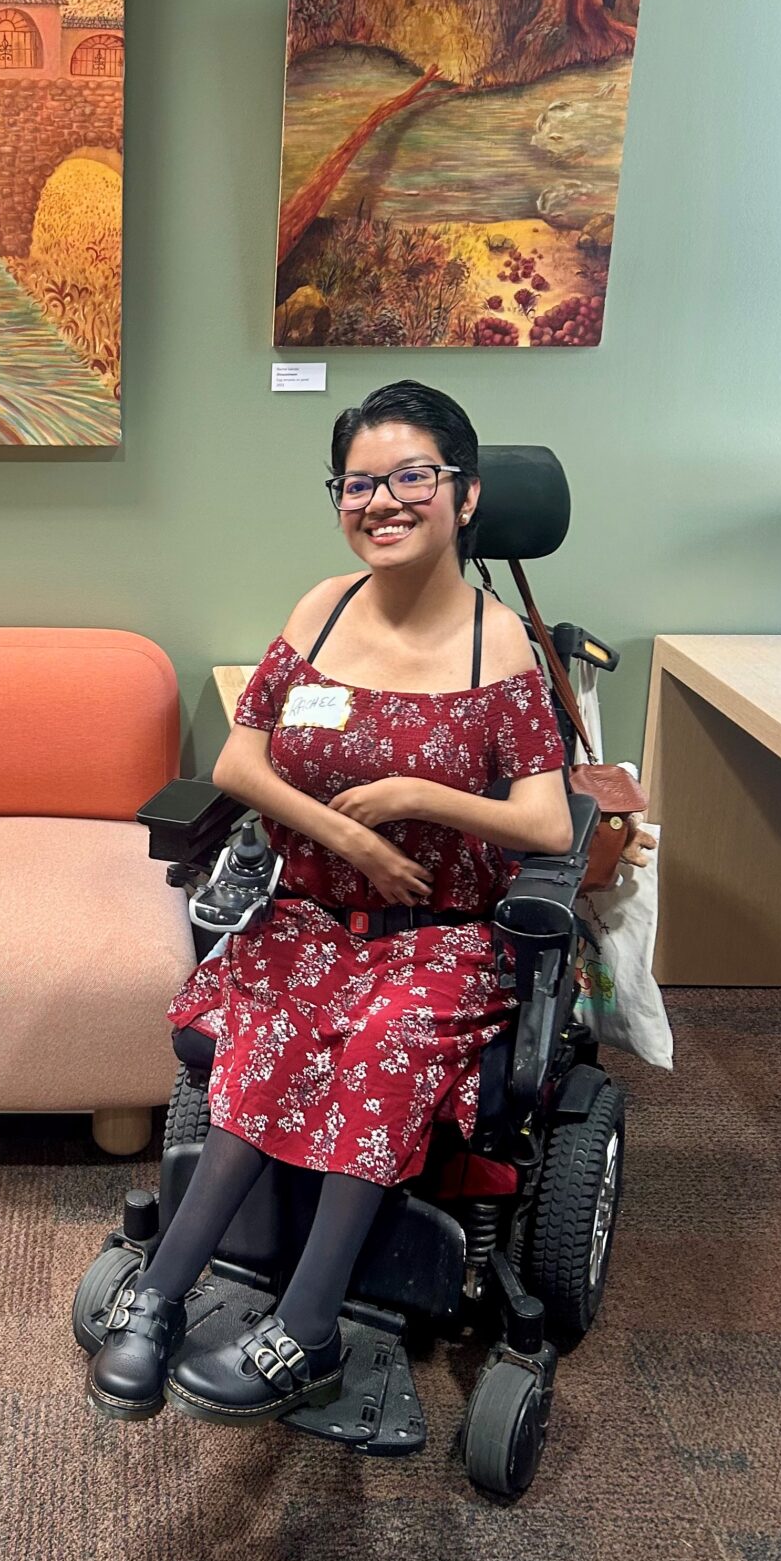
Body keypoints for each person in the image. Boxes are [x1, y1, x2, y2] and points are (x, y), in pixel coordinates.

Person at [88, 380, 572, 1424]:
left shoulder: (499, 649)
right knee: (268, 1024)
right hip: (310, 919)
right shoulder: (324, 608)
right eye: (357, 483)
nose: (380, 502)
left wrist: (416, 797)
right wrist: (348, 830)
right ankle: (161, 1301)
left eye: (410, 477)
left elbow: (545, 823)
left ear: (464, 493)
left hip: (438, 940)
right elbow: (239, 761)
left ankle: (303, 1330)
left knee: (381, 1042)